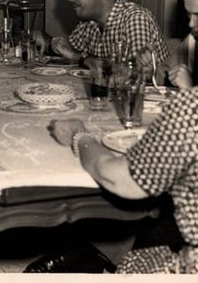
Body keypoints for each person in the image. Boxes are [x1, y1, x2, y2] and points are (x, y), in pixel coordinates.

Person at [36, 91, 198, 274]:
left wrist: (78, 135)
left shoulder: (192, 109)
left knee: (137, 258)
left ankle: (94, 254)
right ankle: (93, 252)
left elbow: (117, 178)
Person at [34, 0, 169, 67]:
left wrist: (77, 57)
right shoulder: (89, 22)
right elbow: (67, 48)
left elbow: (133, 72)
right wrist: (46, 40)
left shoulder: (135, 18)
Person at [167, 0, 198, 89]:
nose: (191, 24)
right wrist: (151, 70)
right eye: (189, 15)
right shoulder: (193, 40)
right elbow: (169, 69)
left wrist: (189, 90)